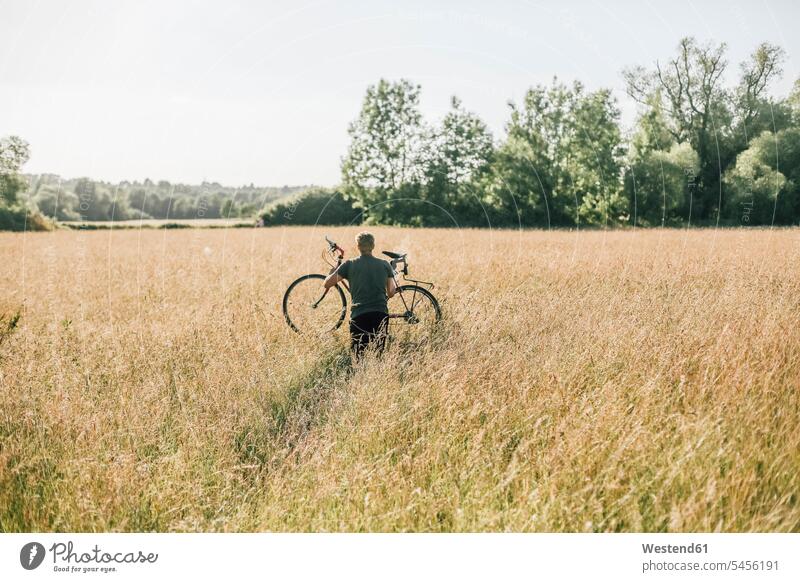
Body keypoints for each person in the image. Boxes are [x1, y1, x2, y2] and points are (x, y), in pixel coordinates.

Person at [324, 232, 397, 357]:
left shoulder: (349, 264)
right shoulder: (385, 264)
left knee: (358, 358)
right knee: (377, 357)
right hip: (380, 315)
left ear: (358, 246)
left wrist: (336, 266)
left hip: (359, 316)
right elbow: (390, 293)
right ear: (373, 246)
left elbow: (327, 284)